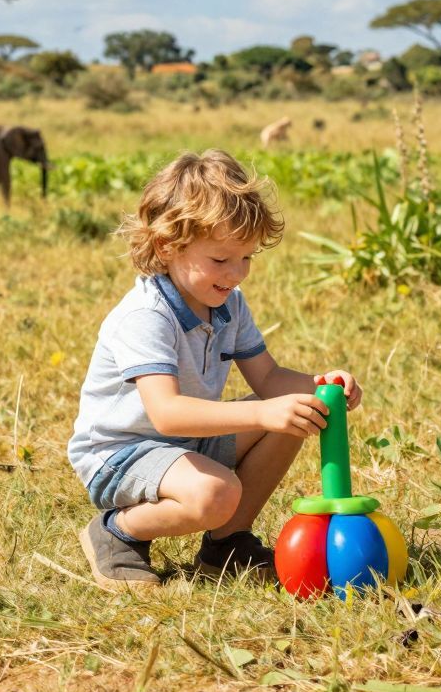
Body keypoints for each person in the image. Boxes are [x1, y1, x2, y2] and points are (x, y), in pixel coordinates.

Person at [67, 148, 361, 591]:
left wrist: (321, 385)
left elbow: (268, 379)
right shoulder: (147, 315)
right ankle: (118, 531)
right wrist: (262, 413)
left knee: (297, 411)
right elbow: (166, 414)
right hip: (122, 455)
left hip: (185, 444)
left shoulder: (226, 303)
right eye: (221, 260)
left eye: (246, 258)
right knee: (217, 492)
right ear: (167, 246)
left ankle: (226, 544)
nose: (237, 273)